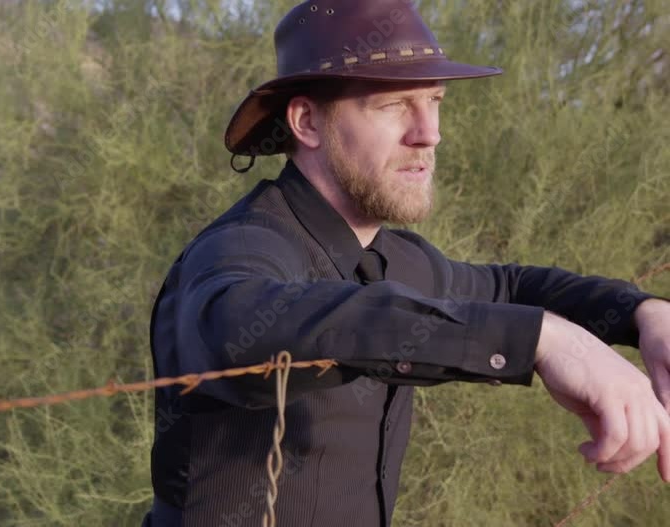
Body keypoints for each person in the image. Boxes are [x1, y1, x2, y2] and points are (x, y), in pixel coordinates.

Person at [140, 1, 670, 526]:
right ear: (306, 122)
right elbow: (238, 321)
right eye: (393, 104)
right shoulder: (246, 243)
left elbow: (509, 287)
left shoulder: (395, 258)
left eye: (434, 100)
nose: (429, 132)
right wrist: (540, 341)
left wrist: (642, 314)